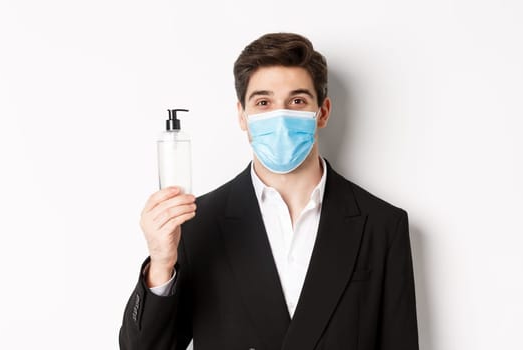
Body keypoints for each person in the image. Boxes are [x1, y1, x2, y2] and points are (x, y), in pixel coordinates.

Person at [119, 33, 419, 350]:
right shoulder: (196, 223)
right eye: (263, 103)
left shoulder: (382, 226)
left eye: (297, 101)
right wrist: (162, 263)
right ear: (242, 116)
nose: (280, 116)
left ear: (323, 112)